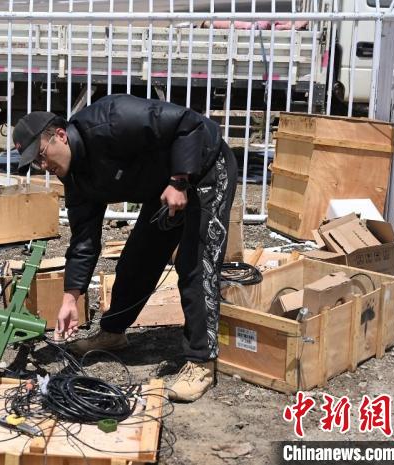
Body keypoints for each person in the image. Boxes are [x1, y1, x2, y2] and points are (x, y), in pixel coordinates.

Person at [12, 94, 237, 402]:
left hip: (204, 169)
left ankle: (201, 362)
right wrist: (70, 298)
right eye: (35, 165)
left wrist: (179, 180)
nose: (43, 166)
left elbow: (189, 124)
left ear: (60, 135)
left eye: (41, 156)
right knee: (137, 259)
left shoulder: (112, 118)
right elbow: (84, 242)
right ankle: (113, 332)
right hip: (163, 188)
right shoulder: (76, 179)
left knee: (195, 266)